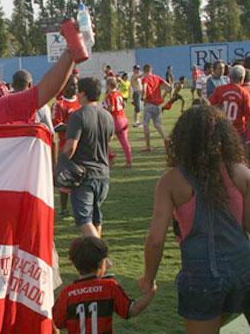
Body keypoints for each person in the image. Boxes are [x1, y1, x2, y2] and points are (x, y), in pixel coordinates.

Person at [141, 105, 250, 334]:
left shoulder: (171, 181)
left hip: (201, 276)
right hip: (243, 267)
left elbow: (155, 240)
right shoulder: (241, 172)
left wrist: (148, 279)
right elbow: (247, 225)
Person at [54, 236, 156, 334]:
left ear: (74, 263)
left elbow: (58, 322)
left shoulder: (67, 293)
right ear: (101, 263)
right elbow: (132, 310)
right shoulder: (109, 287)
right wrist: (150, 293)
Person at [63, 78, 114, 237]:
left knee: (85, 220)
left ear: (83, 93)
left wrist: (61, 163)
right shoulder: (107, 116)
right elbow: (109, 141)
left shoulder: (78, 116)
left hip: (84, 175)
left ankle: (101, 256)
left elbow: (71, 146)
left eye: (78, 91)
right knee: (96, 219)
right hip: (103, 174)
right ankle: (100, 261)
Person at [53, 76, 81, 217]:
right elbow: (56, 126)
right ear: (64, 86)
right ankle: (64, 209)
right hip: (66, 147)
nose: (74, 88)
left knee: (80, 179)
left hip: (82, 147)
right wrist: (75, 127)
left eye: (76, 85)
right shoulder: (59, 104)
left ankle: (80, 207)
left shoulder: (81, 101)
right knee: (65, 179)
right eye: (71, 85)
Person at [209, 65, 250, 142]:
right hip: (238, 132)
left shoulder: (219, 90)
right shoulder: (244, 93)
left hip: (222, 130)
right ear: (242, 78)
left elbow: (210, 108)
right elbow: (248, 116)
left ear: (230, 77)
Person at [141, 64, 171, 152]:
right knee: (157, 125)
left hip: (149, 104)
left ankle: (148, 146)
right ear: (151, 70)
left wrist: (143, 96)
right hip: (157, 105)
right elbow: (169, 87)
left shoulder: (145, 78)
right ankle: (166, 140)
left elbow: (144, 87)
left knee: (145, 124)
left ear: (144, 71)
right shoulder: (157, 77)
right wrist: (162, 97)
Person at [104, 77, 133, 168]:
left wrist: (104, 110)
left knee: (103, 140)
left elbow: (111, 108)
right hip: (123, 118)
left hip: (115, 120)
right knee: (125, 142)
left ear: (109, 85)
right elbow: (123, 105)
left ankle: (110, 157)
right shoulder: (119, 93)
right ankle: (129, 161)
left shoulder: (110, 95)